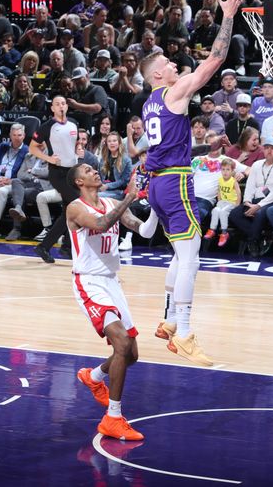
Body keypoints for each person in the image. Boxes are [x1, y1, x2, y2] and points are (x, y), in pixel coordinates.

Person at [138, 0, 244, 366]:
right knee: (192, 259)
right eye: (167, 63)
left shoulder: (148, 102)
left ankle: (167, 321)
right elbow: (214, 60)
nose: (174, 65)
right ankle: (183, 332)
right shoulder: (172, 92)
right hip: (175, 182)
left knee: (178, 256)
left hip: (159, 183)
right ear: (157, 74)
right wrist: (228, 15)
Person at [70, 162, 159, 441]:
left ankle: (94, 376)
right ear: (79, 182)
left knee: (131, 355)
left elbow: (143, 230)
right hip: (88, 282)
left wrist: (156, 205)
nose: (94, 171)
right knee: (121, 344)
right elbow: (101, 223)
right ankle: (113, 417)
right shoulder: (75, 208)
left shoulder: (111, 201)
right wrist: (130, 196)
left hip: (111, 282)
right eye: (87, 170)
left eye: (94, 169)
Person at [30, 96, 80, 263]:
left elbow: (74, 144)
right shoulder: (47, 126)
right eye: (57, 104)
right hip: (58, 172)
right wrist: (48, 158)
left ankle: (47, 246)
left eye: (64, 103)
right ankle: (66, 246)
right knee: (76, 205)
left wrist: (78, 151)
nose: (61, 106)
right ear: (52, 108)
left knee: (68, 212)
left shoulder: (74, 123)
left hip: (72, 172)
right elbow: (32, 147)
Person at [203, 157, 241, 247]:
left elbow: (239, 193)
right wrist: (219, 201)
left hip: (232, 202)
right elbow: (219, 191)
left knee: (223, 212)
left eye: (228, 169)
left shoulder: (233, 181)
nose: (225, 172)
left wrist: (237, 204)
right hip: (222, 202)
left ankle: (224, 232)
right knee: (215, 210)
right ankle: (212, 229)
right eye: (223, 169)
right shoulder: (220, 180)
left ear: (232, 171)